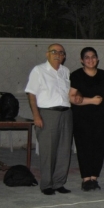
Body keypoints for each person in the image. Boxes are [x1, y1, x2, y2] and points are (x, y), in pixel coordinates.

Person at [25, 43, 73, 195]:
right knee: (48, 151)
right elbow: (31, 94)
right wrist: (36, 115)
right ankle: (46, 184)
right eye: (54, 51)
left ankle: (59, 182)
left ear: (64, 56)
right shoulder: (38, 71)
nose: (58, 54)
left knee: (64, 150)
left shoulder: (66, 71)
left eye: (61, 52)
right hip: (47, 113)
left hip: (66, 113)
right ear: (47, 54)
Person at [69, 47, 104, 191]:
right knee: (84, 148)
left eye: (93, 56)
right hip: (82, 118)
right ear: (82, 60)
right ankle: (86, 179)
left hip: (99, 117)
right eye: (87, 57)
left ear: (97, 59)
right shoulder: (76, 75)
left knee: (98, 148)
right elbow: (72, 97)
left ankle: (94, 178)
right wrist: (91, 101)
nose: (90, 59)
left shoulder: (103, 74)